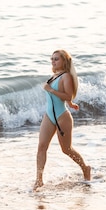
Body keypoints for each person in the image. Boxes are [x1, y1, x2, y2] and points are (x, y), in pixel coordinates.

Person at [34, 49, 91, 190]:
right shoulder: (54, 76)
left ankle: (85, 168)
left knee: (66, 149)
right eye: (52, 59)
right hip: (49, 115)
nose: (53, 61)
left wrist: (52, 91)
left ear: (64, 61)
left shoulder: (66, 76)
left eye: (56, 59)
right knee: (42, 147)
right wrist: (71, 104)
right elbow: (64, 97)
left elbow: (68, 96)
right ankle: (39, 180)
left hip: (62, 117)